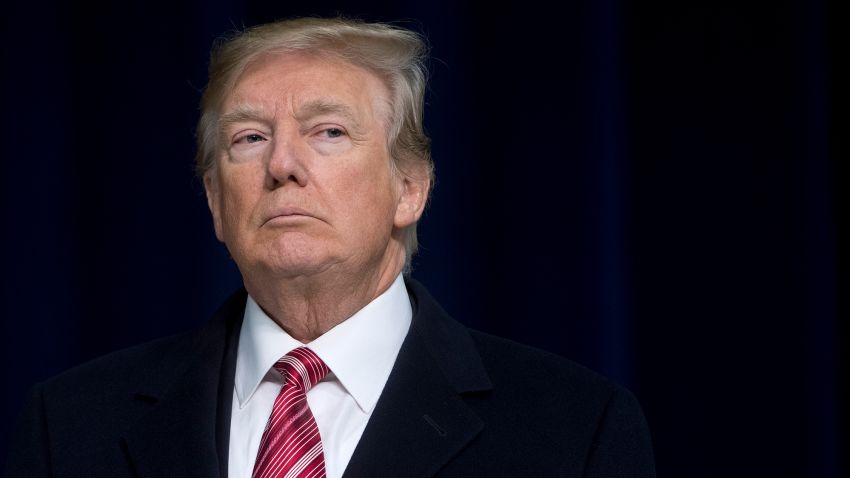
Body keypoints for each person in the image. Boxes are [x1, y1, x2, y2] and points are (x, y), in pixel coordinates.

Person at [4, 17, 656, 478]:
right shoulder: (69, 424)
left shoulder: (575, 429)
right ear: (214, 201)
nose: (283, 163)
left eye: (329, 131)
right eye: (249, 138)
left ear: (410, 187)